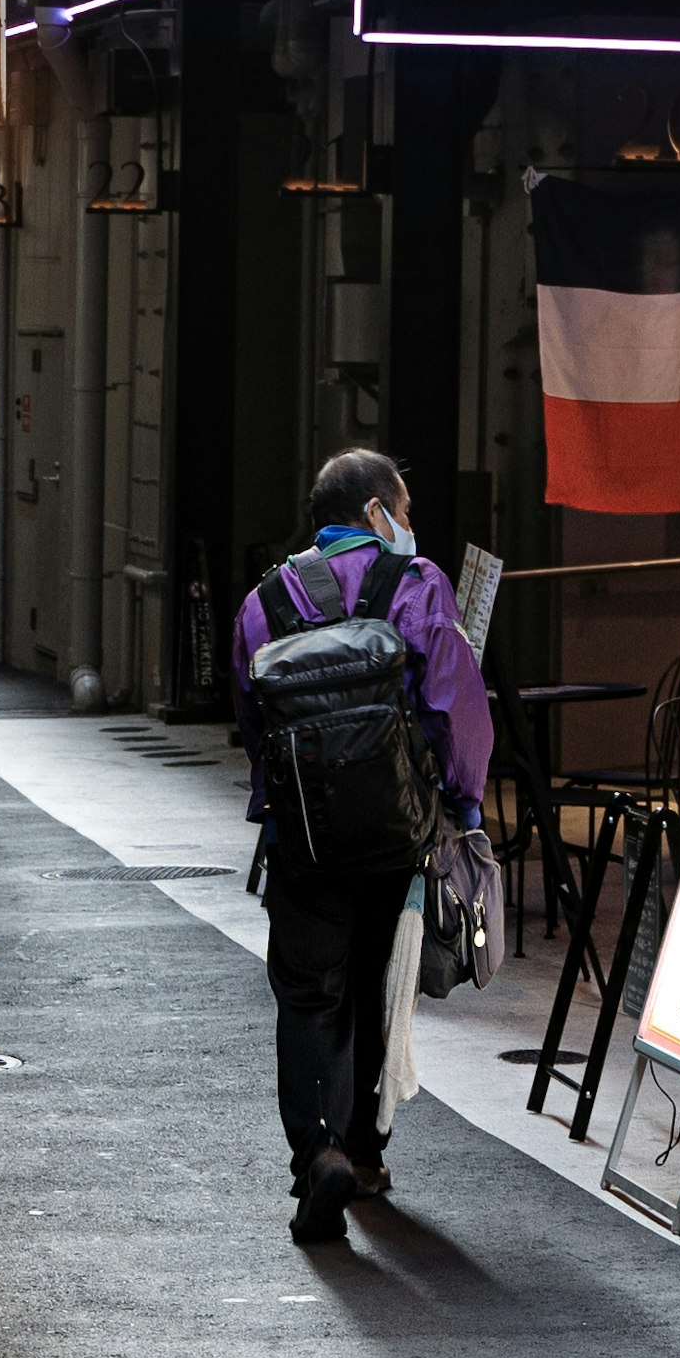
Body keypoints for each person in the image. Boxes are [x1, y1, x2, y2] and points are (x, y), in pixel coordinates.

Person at [229, 445, 491, 1247]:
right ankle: (366, 1148)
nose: (410, 523)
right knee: (381, 978)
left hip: (303, 829)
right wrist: (464, 804)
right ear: (376, 511)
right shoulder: (417, 585)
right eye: (403, 508)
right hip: (393, 828)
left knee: (308, 992)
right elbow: (453, 704)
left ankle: (318, 1152)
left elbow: (250, 715)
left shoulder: (264, 600)